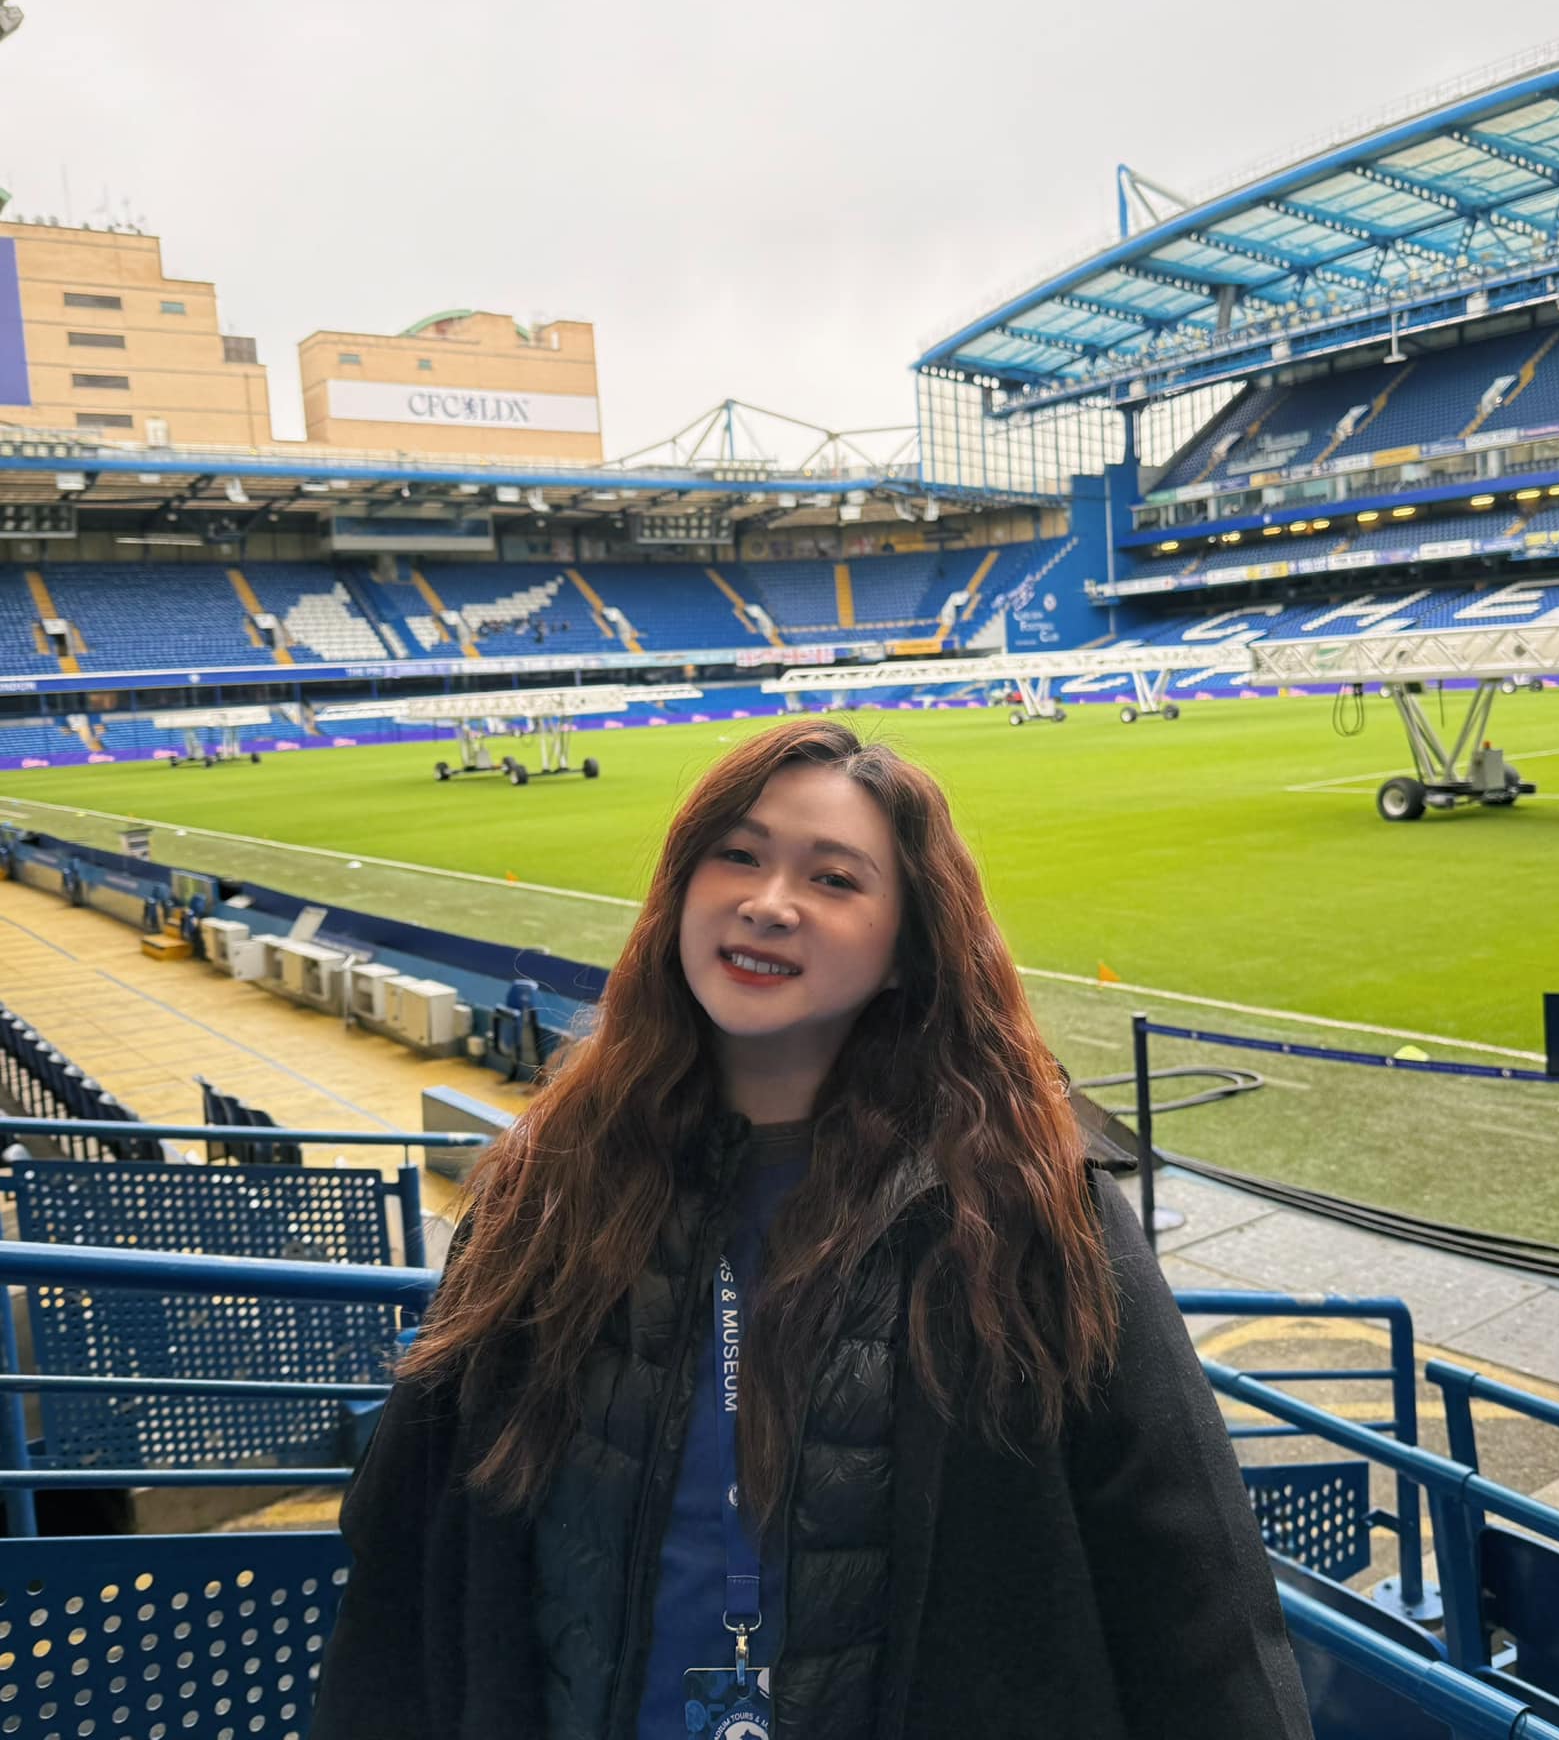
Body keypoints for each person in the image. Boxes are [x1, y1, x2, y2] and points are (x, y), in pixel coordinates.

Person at [310, 719, 1311, 1740]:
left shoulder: (1030, 1210)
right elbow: (406, 1549)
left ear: (903, 950)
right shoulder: (551, 1183)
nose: (767, 901)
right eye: (736, 854)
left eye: (834, 879)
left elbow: (1195, 1596)